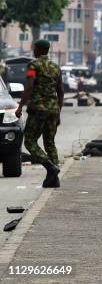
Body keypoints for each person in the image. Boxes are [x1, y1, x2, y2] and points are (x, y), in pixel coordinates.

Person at [15, 39, 63, 188]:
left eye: (34, 47)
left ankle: (50, 167)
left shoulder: (33, 65)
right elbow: (60, 91)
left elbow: (29, 85)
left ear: (37, 50)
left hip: (38, 109)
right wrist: (58, 112)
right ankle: (54, 180)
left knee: (29, 141)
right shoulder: (56, 67)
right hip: (53, 109)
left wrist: (20, 106)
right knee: (50, 143)